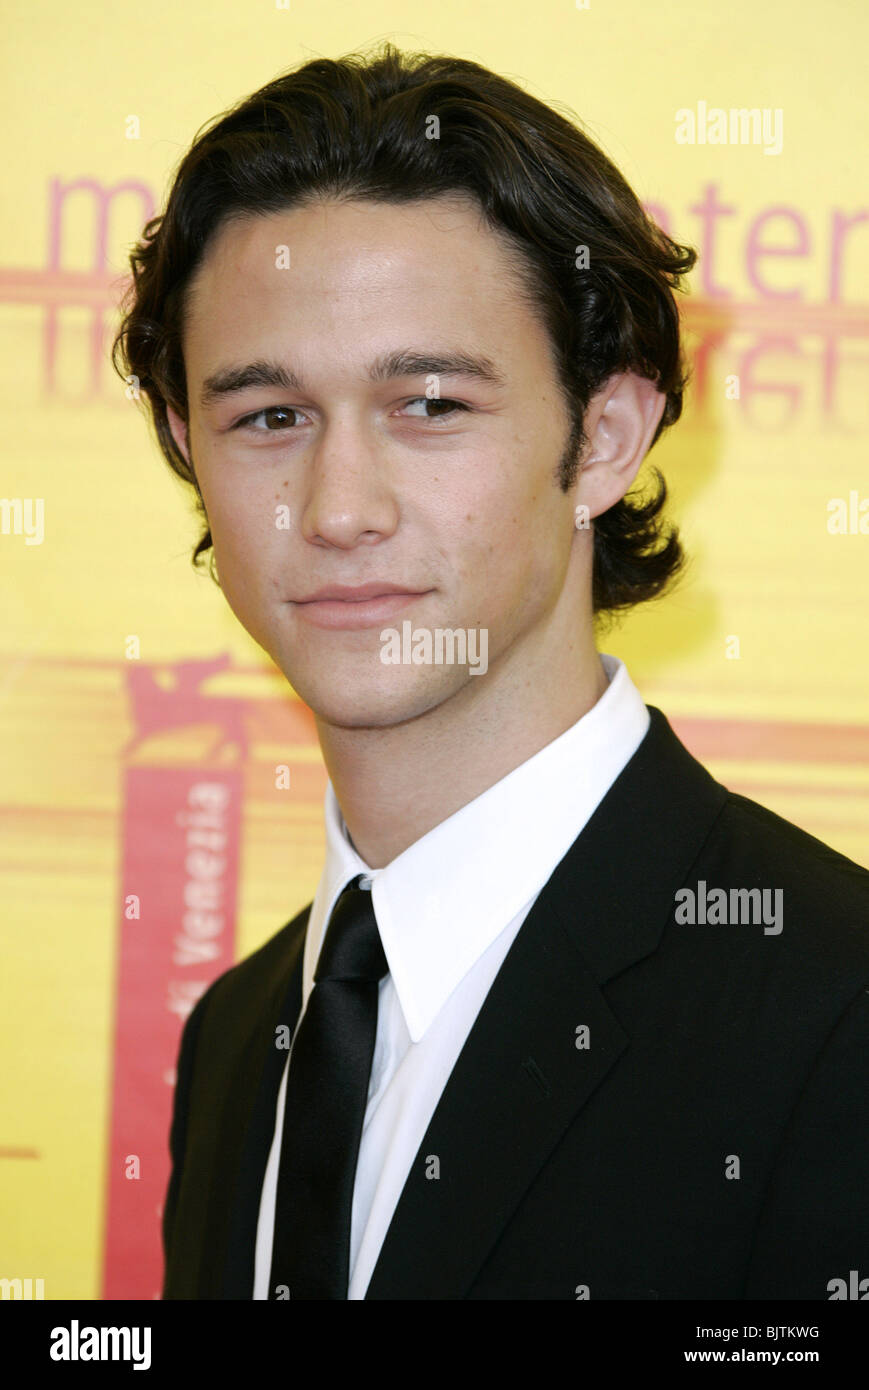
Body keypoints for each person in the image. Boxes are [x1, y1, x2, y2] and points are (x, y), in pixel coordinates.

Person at [112, 43, 869, 1301]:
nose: (338, 507)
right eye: (268, 418)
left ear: (604, 438)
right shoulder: (240, 1038)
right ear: (192, 448)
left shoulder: (831, 1010)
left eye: (429, 405)